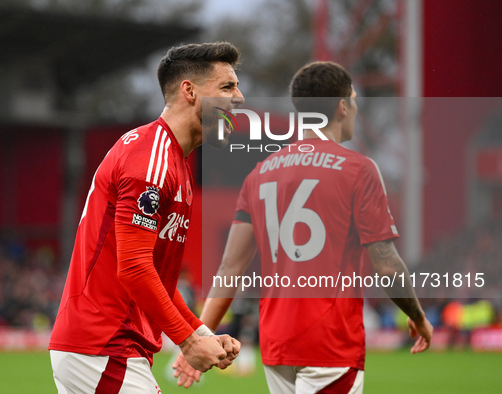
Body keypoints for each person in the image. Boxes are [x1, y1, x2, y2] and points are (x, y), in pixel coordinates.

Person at [173, 61, 433, 393]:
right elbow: (386, 264)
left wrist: (201, 335)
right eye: (352, 100)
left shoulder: (260, 174)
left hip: (277, 344)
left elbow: (231, 267)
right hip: (329, 342)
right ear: (342, 107)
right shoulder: (358, 169)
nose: (354, 107)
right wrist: (418, 316)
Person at [49, 42, 244, 393]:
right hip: (104, 343)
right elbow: (134, 267)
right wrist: (187, 342)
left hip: (107, 347)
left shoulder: (175, 163)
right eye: (227, 87)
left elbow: (159, 280)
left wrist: (202, 333)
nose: (239, 98)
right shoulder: (152, 159)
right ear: (190, 91)